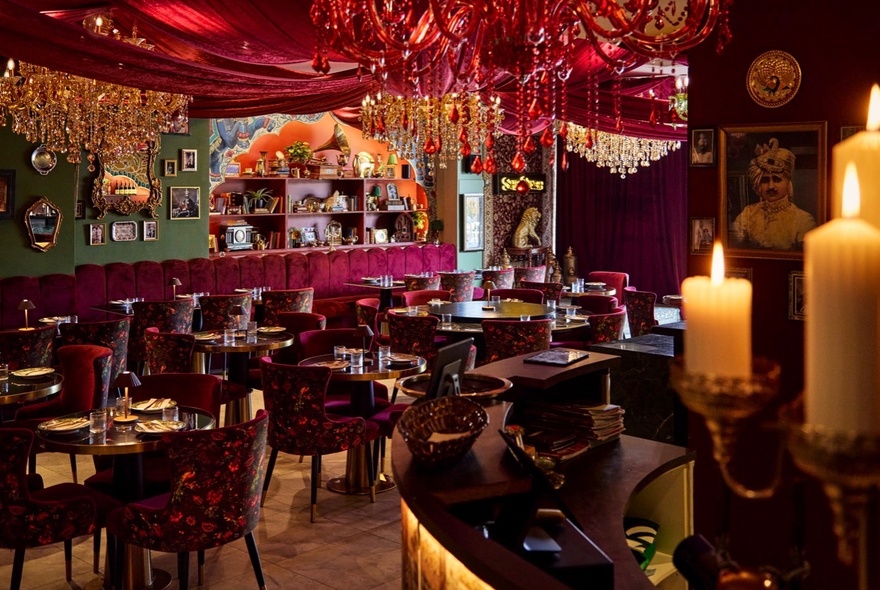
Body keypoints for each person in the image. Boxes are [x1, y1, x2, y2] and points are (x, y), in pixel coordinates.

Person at [730, 138, 816, 251]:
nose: (771, 186)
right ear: (758, 185)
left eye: (777, 179)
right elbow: (732, 245)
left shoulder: (803, 220)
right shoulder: (748, 213)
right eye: (765, 180)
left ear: (787, 183)